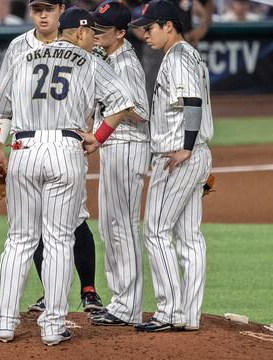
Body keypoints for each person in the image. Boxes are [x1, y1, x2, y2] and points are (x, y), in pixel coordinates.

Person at [0, 7, 135, 346]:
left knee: (19, 239)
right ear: (82, 33)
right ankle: (53, 325)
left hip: (23, 148)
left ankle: (5, 322)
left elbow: (2, 106)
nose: (93, 39)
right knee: (58, 239)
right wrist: (98, 137)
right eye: (91, 33)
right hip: (65, 149)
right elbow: (124, 102)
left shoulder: (24, 56)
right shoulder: (90, 61)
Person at [128, 0, 213, 332]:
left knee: (157, 231)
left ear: (168, 26)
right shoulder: (191, 53)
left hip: (179, 155)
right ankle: (188, 314)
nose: (144, 33)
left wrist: (186, 148)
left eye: (149, 27)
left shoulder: (177, 57)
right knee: (189, 236)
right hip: (195, 153)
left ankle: (168, 311)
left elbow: (192, 100)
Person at [85, 1, 151, 327]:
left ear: (121, 33)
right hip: (115, 147)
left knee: (123, 227)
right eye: (94, 27)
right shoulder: (107, 57)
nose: (96, 33)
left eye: (103, 29)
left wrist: (113, 112)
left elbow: (140, 111)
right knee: (110, 228)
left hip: (128, 147)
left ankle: (129, 305)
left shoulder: (125, 64)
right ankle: (119, 301)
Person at [131, 0, 212, 106]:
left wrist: (203, 27)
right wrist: (143, 33)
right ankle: (151, 121)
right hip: (156, 48)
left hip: (184, 41)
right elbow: (126, 5)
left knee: (190, 93)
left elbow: (208, 3)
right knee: (152, 90)